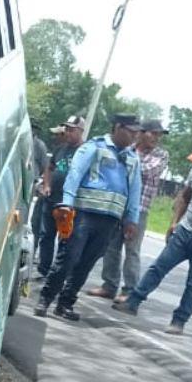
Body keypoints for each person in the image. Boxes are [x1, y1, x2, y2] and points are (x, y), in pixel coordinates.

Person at [115, 137, 192, 334]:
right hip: (185, 231)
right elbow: (185, 196)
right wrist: (174, 222)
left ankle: (179, 321)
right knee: (158, 267)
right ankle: (133, 302)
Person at [36, 114, 142, 321]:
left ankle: (65, 303)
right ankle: (45, 299)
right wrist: (67, 203)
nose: (134, 136)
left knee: (86, 263)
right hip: (84, 214)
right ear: (118, 127)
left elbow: (135, 190)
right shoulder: (95, 147)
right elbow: (75, 174)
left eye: (136, 132)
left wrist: (132, 219)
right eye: (131, 131)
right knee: (68, 258)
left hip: (110, 220)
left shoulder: (132, 158)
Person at [89, 119, 169, 300]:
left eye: (159, 135)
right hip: (118, 205)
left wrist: (123, 163)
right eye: (154, 133)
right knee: (111, 247)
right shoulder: (128, 150)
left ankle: (130, 290)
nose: (156, 138)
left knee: (132, 250)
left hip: (139, 209)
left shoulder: (160, 155)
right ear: (141, 132)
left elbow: (145, 170)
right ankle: (109, 285)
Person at [37, 116, 85, 278]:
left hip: (69, 203)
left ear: (80, 131)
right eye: (67, 129)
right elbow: (49, 169)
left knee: (66, 239)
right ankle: (43, 270)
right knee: (46, 236)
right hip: (51, 198)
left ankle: (58, 274)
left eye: (72, 130)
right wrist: (46, 185)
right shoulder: (60, 149)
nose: (68, 133)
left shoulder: (86, 151)